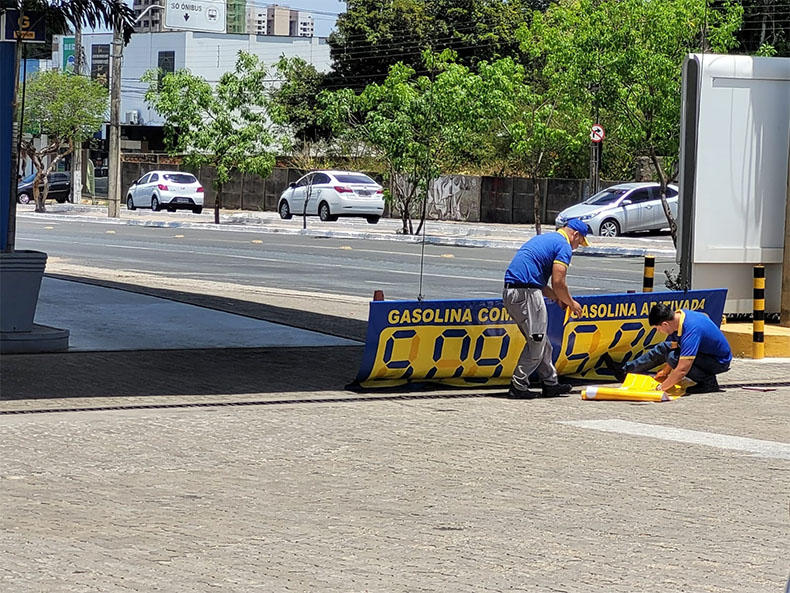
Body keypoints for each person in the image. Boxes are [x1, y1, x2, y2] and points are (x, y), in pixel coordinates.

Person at [502, 218, 591, 399]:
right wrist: (571, 303)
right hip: (526, 293)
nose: (577, 247)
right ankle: (518, 386)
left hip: (517, 291)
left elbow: (540, 282)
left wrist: (558, 298)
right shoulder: (563, 246)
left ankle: (550, 383)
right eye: (579, 242)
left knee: (543, 342)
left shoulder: (547, 239)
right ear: (575, 234)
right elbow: (558, 282)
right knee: (537, 341)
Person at [602, 303, 732, 394]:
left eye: (658, 329)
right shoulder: (679, 318)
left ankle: (708, 382)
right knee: (664, 348)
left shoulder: (691, 330)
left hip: (718, 361)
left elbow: (682, 368)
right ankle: (625, 371)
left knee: (673, 358)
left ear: (665, 324)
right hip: (704, 353)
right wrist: (665, 372)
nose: (660, 332)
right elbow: (676, 346)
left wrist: (661, 389)